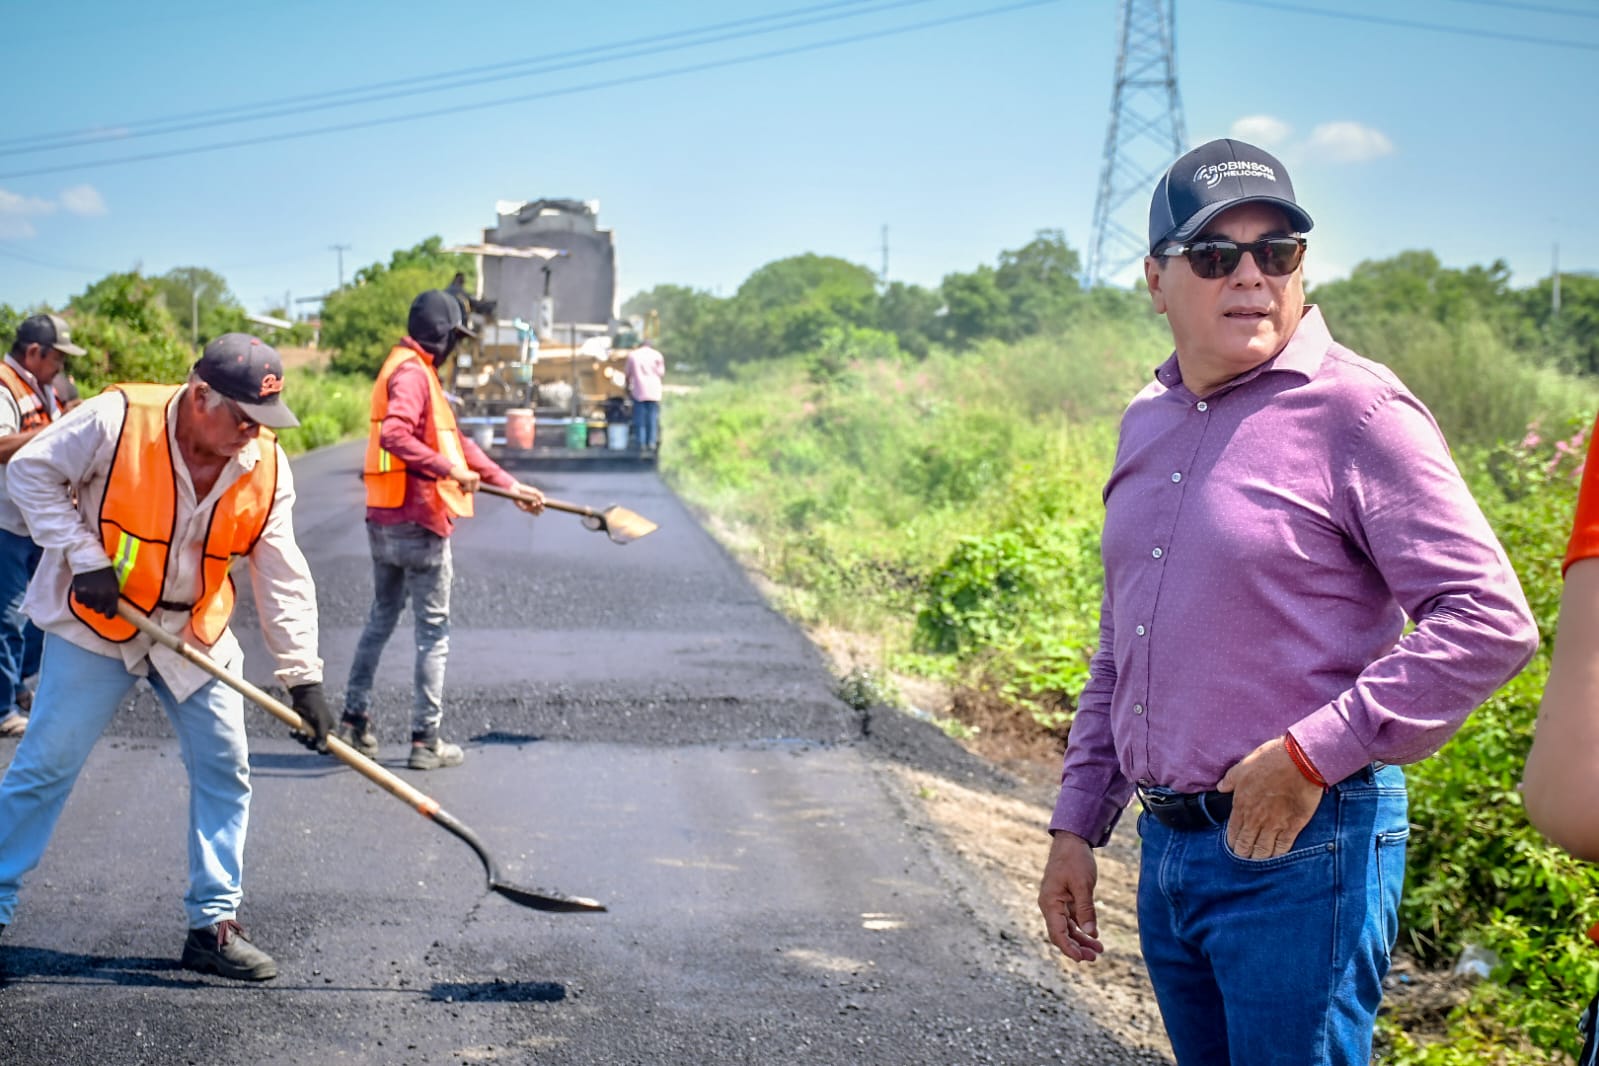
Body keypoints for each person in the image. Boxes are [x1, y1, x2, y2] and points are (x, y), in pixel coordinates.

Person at [1035, 138, 1539, 1065]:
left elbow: (1487, 620)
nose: (1251, 278)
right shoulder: (1145, 422)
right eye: (1215, 256)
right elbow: (1125, 644)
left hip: (1305, 848)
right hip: (1171, 851)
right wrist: (1077, 823)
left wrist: (1311, 754)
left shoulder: (1357, 413)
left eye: (1278, 252)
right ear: (1156, 280)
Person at [0, 333, 335, 981]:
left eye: (263, 421)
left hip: (193, 633)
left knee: (225, 769)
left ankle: (213, 925)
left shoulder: (264, 462)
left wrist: (304, 678)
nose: (251, 433)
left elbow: (281, 572)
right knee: (45, 767)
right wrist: (82, 554)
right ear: (200, 394)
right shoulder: (117, 418)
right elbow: (29, 472)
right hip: (98, 623)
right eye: (242, 417)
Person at [339, 289, 543, 770]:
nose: (456, 346)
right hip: (418, 521)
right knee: (433, 632)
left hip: (384, 520)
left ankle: (353, 720)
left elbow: (458, 444)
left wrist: (509, 485)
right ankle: (425, 739)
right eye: (455, 336)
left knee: (381, 617)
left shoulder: (406, 369)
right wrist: (447, 473)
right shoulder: (413, 375)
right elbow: (396, 434)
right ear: (443, 336)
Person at [0, 314, 84, 738]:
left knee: (40, 615)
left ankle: (16, 686)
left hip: (35, 523)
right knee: (8, 619)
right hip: (6, 524)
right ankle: (2, 707)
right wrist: (60, 430)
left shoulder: (44, 386)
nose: (62, 369)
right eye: (58, 359)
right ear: (35, 353)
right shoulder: (3, 386)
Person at [623, 339, 665, 453]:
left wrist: (627, 388)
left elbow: (627, 374)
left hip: (639, 391)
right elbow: (661, 373)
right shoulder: (657, 355)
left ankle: (640, 443)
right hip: (654, 392)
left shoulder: (633, 355)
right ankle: (651, 443)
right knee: (652, 418)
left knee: (640, 419)